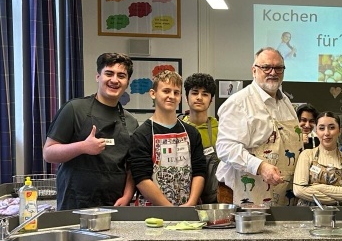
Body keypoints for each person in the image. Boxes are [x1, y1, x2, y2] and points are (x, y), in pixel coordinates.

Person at [44, 52, 139, 210]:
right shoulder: (74, 109)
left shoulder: (131, 122)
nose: (114, 80)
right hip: (74, 202)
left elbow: (131, 167)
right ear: (98, 77)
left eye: (121, 76)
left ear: (127, 82)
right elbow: (48, 153)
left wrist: (127, 196)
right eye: (109, 73)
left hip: (114, 203)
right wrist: (83, 147)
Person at [216, 48, 301, 207]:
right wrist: (260, 166)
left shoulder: (286, 103)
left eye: (278, 68)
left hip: (281, 192)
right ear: (254, 70)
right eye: (266, 67)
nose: (272, 72)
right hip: (242, 191)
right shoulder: (238, 103)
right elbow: (225, 147)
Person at [130, 71, 206, 206]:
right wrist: (170, 209)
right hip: (152, 214)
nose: (171, 96)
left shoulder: (192, 133)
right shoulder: (141, 134)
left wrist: (191, 203)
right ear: (153, 93)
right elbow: (141, 178)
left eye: (176, 92)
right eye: (166, 91)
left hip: (187, 211)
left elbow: (199, 171)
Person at [293, 112, 342, 205]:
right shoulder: (307, 155)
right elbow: (299, 190)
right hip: (307, 215)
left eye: (332, 128)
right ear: (316, 131)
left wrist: (318, 187)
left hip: (338, 216)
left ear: (339, 131)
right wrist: (338, 198)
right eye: (321, 128)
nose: (326, 133)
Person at [181, 73, 219, 204]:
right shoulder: (178, 128)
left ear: (211, 100)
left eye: (205, 94)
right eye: (195, 93)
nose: (199, 98)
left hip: (213, 200)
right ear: (186, 97)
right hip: (182, 198)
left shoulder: (221, 129)